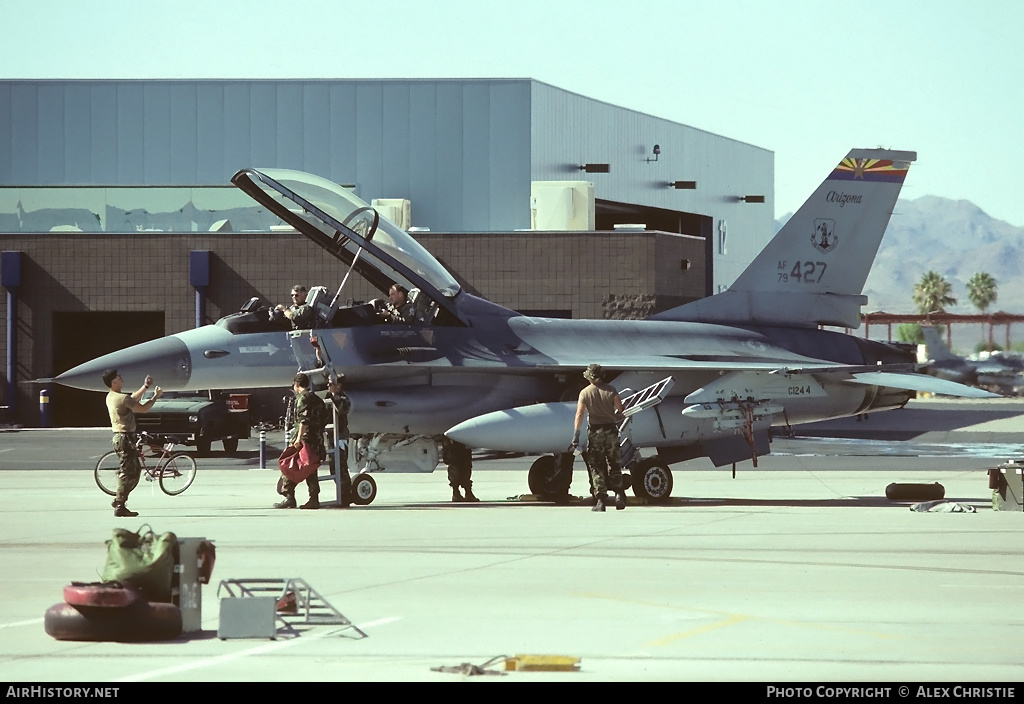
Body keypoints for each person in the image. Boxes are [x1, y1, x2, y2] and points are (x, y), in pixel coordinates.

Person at [102, 369, 163, 517]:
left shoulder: (111, 396)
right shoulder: (122, 398)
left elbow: (132, 399)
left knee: (131, 471)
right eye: (119, 377)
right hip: (125, 438)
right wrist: (155, 397)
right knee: (130, 474)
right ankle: (119, 503)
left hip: (119, 437)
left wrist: (145, 387)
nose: (122, 379)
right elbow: (142, 409)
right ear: (114, 382)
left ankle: (119, 499)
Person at [570, 363, 627, 512]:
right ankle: (619, 495)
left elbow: (580, 414)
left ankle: (601, 501)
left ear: (590, 377)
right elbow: (620, 409)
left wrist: (576, 435)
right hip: (611, 431)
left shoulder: (584, 393)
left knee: (597, 466)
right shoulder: (611, 390)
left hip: (595, 432)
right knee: (614, 463)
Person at [275, 372, 328, 510]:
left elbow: (303, 421)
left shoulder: (302, 399)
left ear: (297, 384)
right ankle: (314, 499)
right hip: (316, 439)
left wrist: (298, 439)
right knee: (310, 469)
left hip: (305, 439)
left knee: (289, 466)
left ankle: (289, 497)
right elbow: (324, 418)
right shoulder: (317, 400)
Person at [325, 374, 354, 507]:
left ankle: (346, 496)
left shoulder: (343, 399)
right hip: (331, 437)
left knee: (341, 467)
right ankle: (342, 494)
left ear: (338, 386)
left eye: (331, 383)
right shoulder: (329, 397)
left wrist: (334, 395)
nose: (328, 385)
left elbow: (341, 409)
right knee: (334, 467)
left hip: (340, 437)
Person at [443, 438, 479, 503]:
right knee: (455, 468)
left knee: (466, 468)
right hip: (453, 444)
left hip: (463, 443)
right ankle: (456, 493)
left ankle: (467, 492)